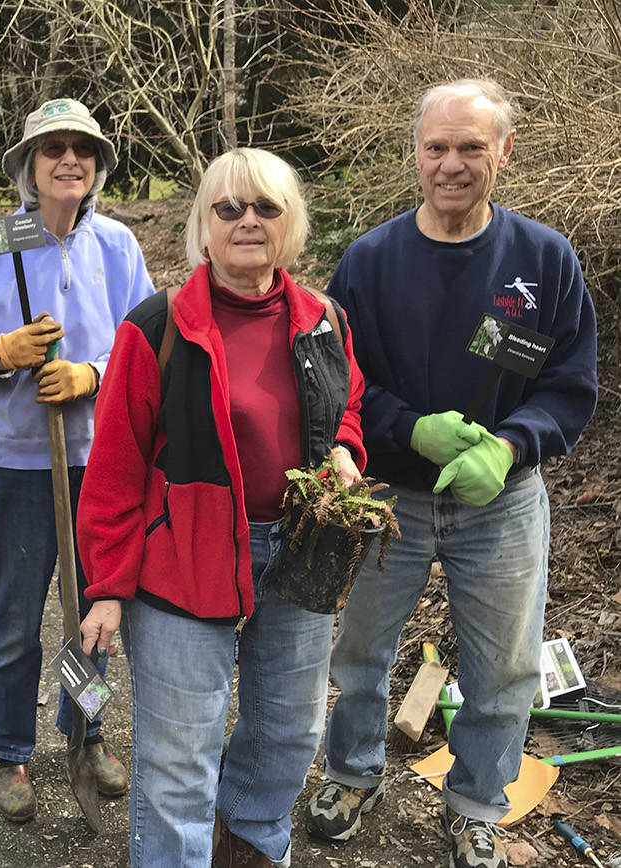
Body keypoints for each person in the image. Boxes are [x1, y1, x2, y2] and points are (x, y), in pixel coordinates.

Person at [305, 79, 597, 868]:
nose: (452, 164)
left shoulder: (543, 259)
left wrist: (509, 446)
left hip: (501, 500)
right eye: (436, 147)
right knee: (360, 651)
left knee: (505, 665)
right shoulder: (370, 262)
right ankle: (351, 772)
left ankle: (475, 803)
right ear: (415, 154)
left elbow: (571, 386)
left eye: (471, 146)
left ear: (505, 151)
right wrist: (408, 430)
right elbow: (337, 384)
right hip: (389, 494)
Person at [75, 147, 367, 868]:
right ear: (203, 225)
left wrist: (344, 452)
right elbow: (113, 469)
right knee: (180, 751)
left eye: (265, 207)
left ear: (290, 222)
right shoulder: (157, 326)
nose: (247, 221)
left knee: (289, 733)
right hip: (184, 557)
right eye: (228, 208)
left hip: (299, 554)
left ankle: (248, 851)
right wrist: (108, 587)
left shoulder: (322, 318)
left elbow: (347, 403)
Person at [0, 97, 152, 821]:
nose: (70, 160)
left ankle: (86, 730)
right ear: (28, 166)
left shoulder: (119, 247)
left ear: (98, 166)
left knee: (90, 620)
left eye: (84, 150)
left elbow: (145, 348)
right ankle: (11, 753)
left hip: (101, 465)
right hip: (19, 467)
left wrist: (92, 374)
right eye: (53, 148)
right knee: (14, 618)